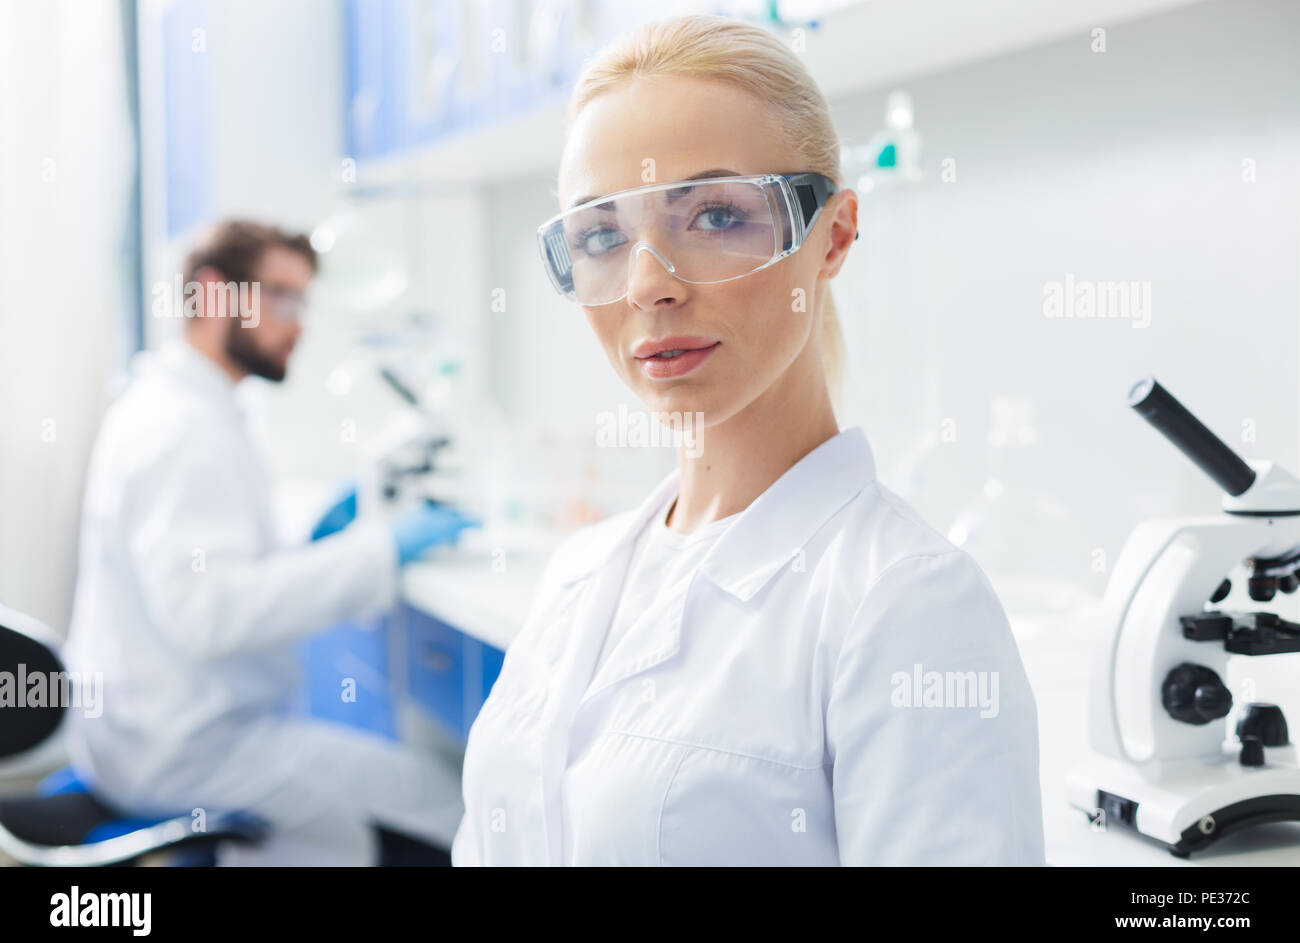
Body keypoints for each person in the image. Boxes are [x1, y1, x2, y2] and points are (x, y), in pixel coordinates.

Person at [453, 15, 1046, 866]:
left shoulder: (907, 606)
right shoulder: (576, 574)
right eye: (601, 236)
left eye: (717, 216)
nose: (649, 285)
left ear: (832, 236)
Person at [63, 220, 478, 865]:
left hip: (146, 732)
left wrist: (308, 548)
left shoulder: (191, 406)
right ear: (213, 293)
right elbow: (210, 615)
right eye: (281, 297)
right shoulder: (181, 428)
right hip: (186, 749)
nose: (300, 323)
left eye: (303, 300)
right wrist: (379, 552)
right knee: (450, 808)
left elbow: (205, 577)